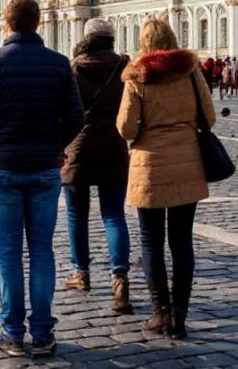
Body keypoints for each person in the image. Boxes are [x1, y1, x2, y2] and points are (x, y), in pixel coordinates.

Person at [0, 0, 83, 358]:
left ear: (7, 24)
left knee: (7, 253)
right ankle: (44, 332)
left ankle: (14, 334)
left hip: (3, 167)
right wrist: (54, 146)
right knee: (42, 251)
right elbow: (77, 118)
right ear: (38, 24)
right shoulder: (60, 64)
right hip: (46, 169)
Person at [116, 18, 213, 341]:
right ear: (173, 39)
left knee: (151, 241)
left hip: (150, 168)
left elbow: (126, 128)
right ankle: (181, 317)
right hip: (188, 163)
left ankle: (160, 313)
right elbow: (209, 117)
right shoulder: (190, 71)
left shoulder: (136, 76)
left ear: (143, 44)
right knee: (182, 241)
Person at [61, 18, 132, 315]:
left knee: (77, 215)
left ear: (87, 38)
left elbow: (62, 112)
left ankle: (82, 274)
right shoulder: (124, 68)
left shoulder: (73, 68)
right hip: (114, 147)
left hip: (77, 149)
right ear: (111, 40)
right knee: (113, 216)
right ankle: (119, 280)